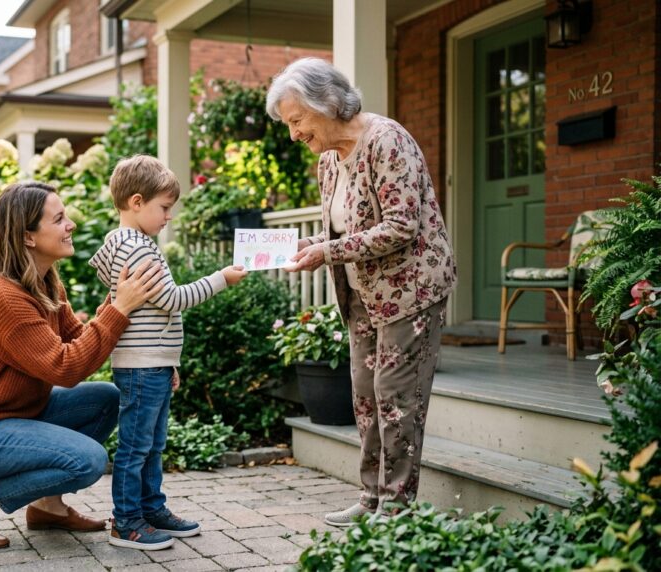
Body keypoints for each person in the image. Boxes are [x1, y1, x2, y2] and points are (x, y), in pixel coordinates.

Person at [266, 58, 457, 527]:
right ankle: (371, 497)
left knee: (397, 398)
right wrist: (310, 244)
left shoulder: (387, 140)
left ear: (327, 103)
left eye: (297, 121)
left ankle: (396, 507)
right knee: (365, 399)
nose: (293, 134)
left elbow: (401, 226)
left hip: (411, 290)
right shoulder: (330, 160)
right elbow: (344, 229)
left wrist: (328, 251)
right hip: (362, 297)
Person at [0, 181, 164, 549]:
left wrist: (146, 346)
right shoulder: (0, 296)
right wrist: (119, 309)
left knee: (107, 399)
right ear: (28, 238)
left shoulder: (45, 282)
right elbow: (66, 368)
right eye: (59, 218)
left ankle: (47, 507)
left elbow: (79, 340)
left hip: (13, 413)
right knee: (87, 461)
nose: (70, 224)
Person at [89, 155, 248, 550]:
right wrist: (221, 279)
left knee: (152, 444)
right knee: (138, 446)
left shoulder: (124, 242)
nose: (168, 217)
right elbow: (173, 301)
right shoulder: (138, 249)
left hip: (150, 363)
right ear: (137, 202)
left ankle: (151, 509)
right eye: (164, 208)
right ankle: (127, 522)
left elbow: (150, 313)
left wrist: (169, 362)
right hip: (143, 367)